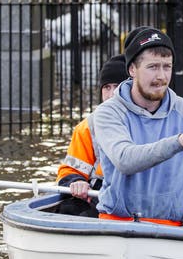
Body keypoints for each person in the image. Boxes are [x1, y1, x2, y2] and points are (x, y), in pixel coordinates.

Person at [89, 26, 183, 228]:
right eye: (153, 67)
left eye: (166, 67)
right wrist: (180, 141)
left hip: (172, 227)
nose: (161, 76)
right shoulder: (108, 112)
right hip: (117, 224)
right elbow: (125, 160)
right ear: (132, 69)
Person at [54, 54, 128, 216]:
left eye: (117, 86)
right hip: (100, 194)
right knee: (68, 210)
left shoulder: (149, 122)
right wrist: (77, 181)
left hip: (136, 197)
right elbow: (69, 170)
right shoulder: (87, 127)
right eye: (106, 87)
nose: (111, 94)